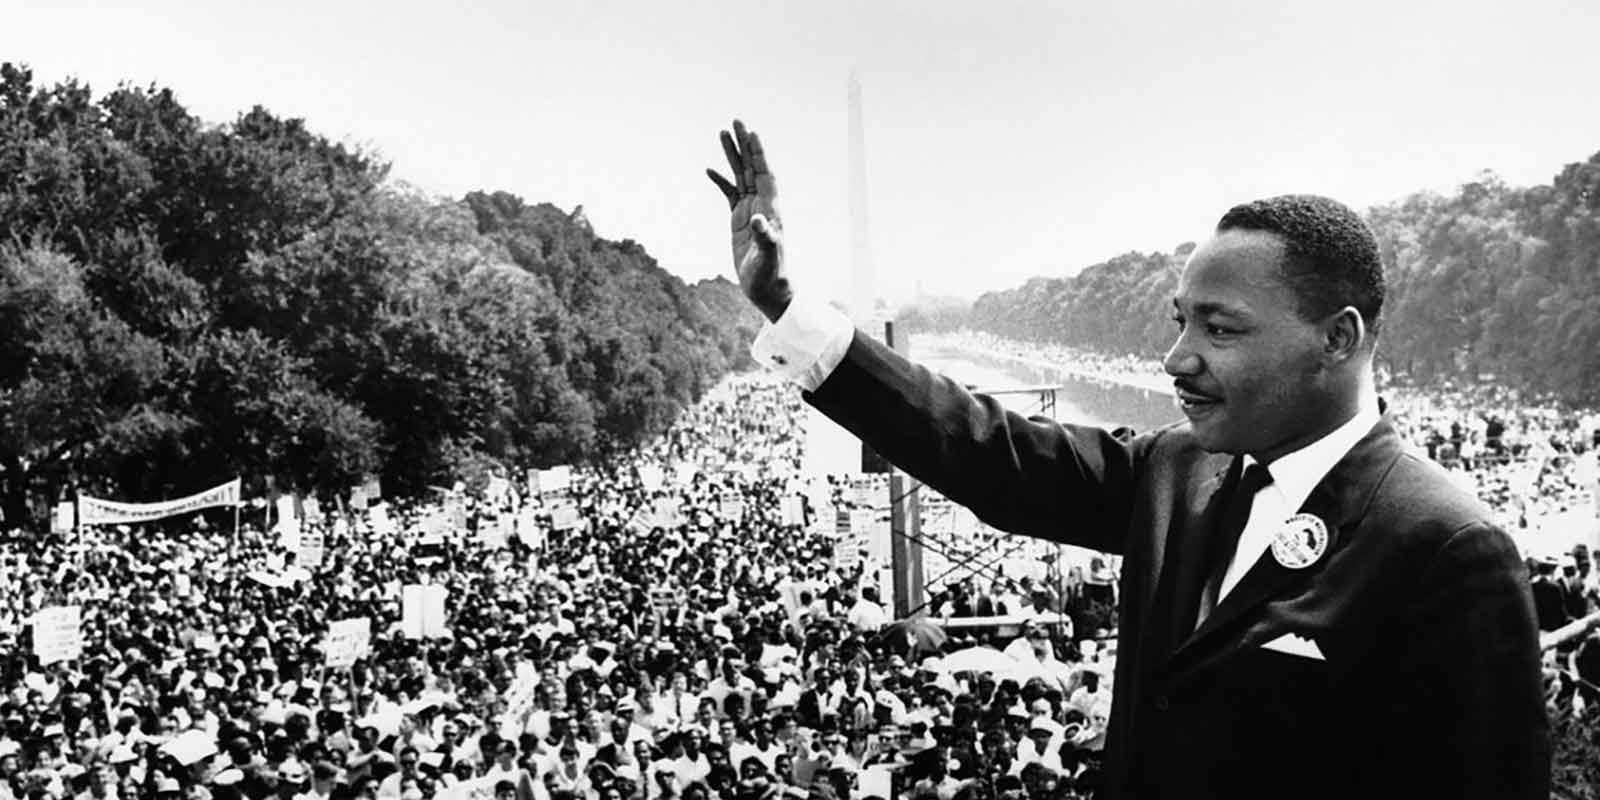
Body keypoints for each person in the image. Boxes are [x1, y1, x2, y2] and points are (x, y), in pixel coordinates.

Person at [706, 119, 1548, 799]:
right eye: (1178, 321)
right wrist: (788, 308)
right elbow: (982, 449)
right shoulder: (1176, 469)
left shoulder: (1445, 548)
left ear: (1338, 338)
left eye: (1219, 329)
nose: (1177, 358)